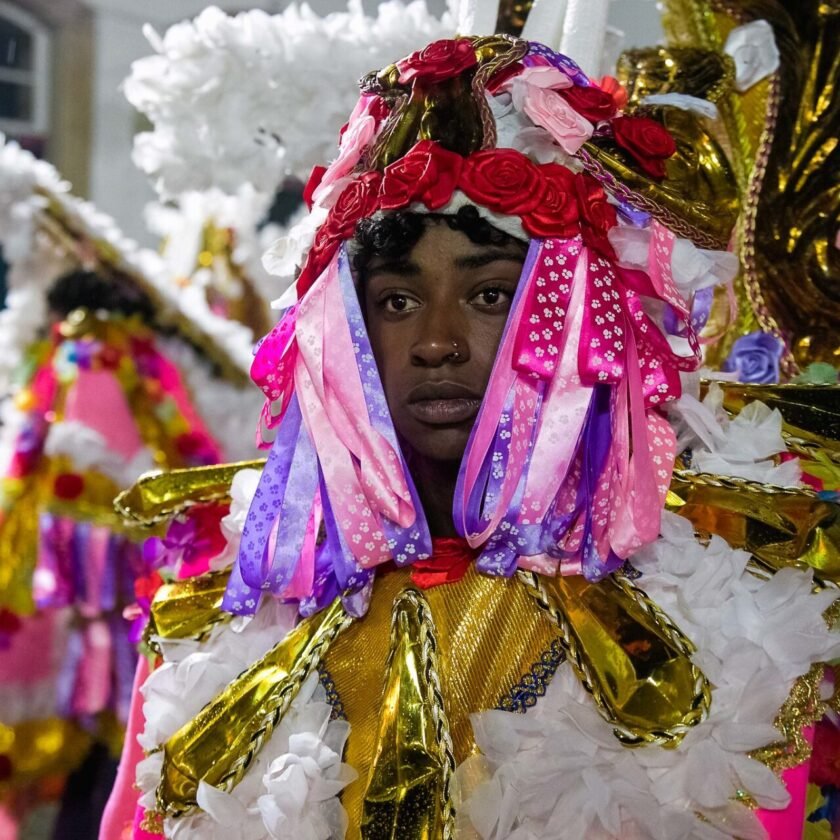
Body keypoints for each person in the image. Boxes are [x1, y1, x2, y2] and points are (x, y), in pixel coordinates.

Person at [102, 35, 840, 840]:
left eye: (490, 295)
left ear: (580, 320)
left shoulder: (726, 592)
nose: (437, 341)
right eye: (396, 302)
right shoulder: (247, 586)